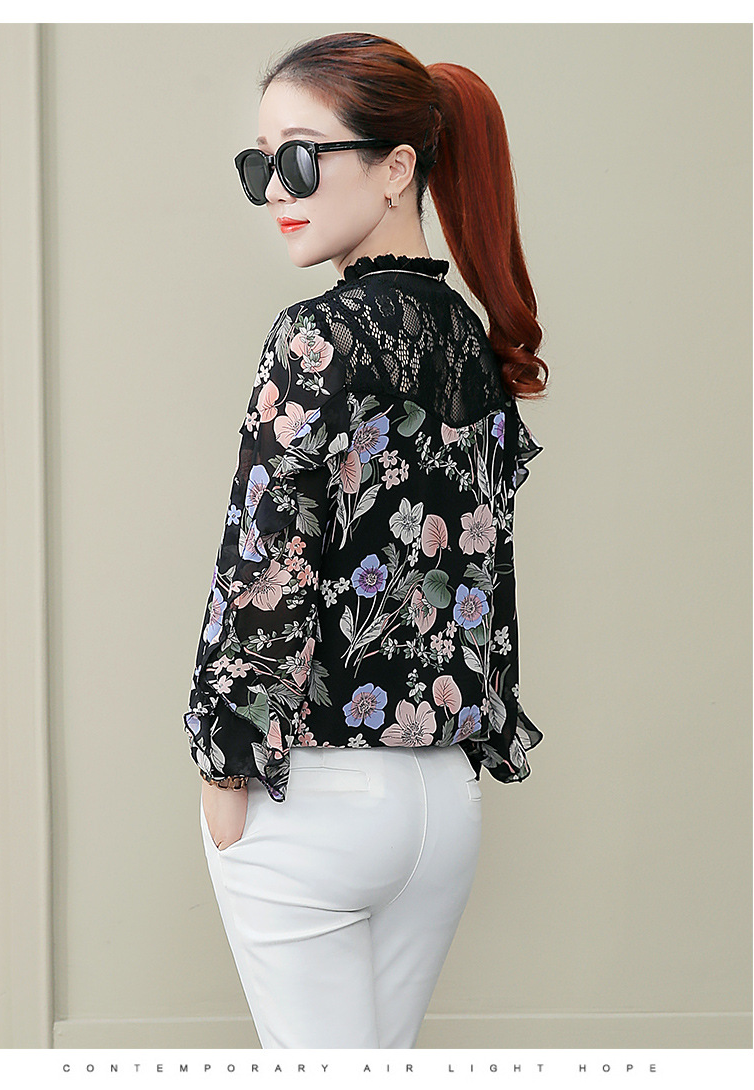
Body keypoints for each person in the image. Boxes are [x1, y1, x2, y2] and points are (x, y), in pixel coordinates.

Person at [182, 31, 548, 1050]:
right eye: (260, 164)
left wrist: (223, 762)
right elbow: (480, 569)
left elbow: (265, 560)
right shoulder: (471, 340)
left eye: (300, 157)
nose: (275, 190)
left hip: (315, 791)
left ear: (395, 169)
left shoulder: (316, 334)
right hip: (442, 799)